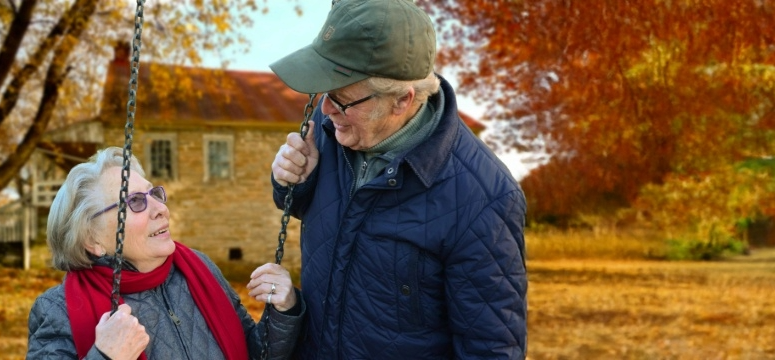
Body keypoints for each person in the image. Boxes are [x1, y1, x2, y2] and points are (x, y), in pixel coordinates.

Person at [268, 0, 528, 358]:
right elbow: (309, 210)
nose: (326, 110)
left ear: (402, 100)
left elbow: (491, 348)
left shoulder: (484, 199)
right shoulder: (333, 128)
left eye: (342, 100)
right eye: (324, 94)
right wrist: (292, 180)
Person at [28, 147, 304, 360]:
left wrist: (283, 310)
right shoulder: (57, 309)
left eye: (154, 194)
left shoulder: (198, 269)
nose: (160, 208)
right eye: (135, 201)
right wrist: (105, 356)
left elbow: (254, 352)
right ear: (92, 239)